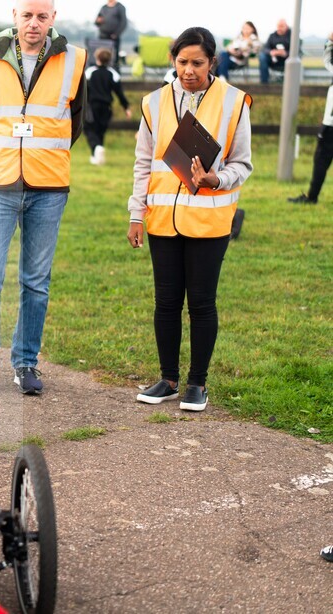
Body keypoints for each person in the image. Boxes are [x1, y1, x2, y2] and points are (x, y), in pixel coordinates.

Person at [0, 0, 86, 396]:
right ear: (14, 16)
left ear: (53, 19)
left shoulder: (74, 60)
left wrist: (44, 154)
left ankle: (26, 364)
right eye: (27, 15)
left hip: (48, 187)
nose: (34, 23)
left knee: (36, 283)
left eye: (42, 16)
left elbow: (77, 120)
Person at [128, 27, 252, 412]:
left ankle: (197, 383)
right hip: (163, 219)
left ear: (212, 62)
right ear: (172, 61)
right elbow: (143, 163)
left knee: (201, 303)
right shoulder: (153, 103)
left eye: (197, 62)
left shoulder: (234, 102)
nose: (189, 70)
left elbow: (242, 164)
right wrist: (136, 214)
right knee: (166, 302)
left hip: (210, 222)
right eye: (182, 62)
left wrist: (216, 179)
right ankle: (167, 379)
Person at [288, 32, 333, 205]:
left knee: (321, 159)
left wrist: (329, 41)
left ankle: (312, 197)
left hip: (330, 125)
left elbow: (328, 59)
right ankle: (311, 196)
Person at [85, 46, 131, 165]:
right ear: (109, 60)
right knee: (101, 130)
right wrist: (126, 107)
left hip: (91, 106)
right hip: (106, 107)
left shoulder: (89, 72)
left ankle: (96, 148)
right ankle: (97, 155)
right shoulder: (113, 74)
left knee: (89, 129)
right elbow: (119, 93)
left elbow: (84, 90)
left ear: (97, 58)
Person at [94, 0, 127, 68]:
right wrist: (98, 21)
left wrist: (116, 34)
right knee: (101, 54)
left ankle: (114, 69)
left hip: (113, 37)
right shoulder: (104, 7)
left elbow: (123, 22)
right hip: (102, 36)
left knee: (114, 56)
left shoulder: (120, 7)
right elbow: (97, 21)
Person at [258, 19, 290, 84]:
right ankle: (264, 84)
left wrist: (285, 53)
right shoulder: (272, 36)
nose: (279, 28)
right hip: (273, 60)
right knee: (262, 56)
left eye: (282, 26)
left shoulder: (292, 36)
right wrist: (271, 52)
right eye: (278, 26)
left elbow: (297, 51)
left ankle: (290, 84)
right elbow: (265, 48)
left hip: (287, 61)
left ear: (286, 26)